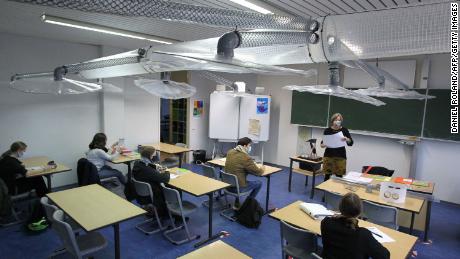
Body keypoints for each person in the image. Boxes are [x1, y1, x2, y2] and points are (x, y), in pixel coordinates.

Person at [321, 192, 390, 259]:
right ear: (359, 212)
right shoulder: (363, 235)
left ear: (340, 207)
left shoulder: (326, 222)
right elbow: (385, 256)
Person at [132, 146, 169, 219]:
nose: (153, 157)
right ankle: (166, 213)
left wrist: (156, 167)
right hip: (151, 194)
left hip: (140, 193)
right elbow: (165, 178)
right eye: (152, 155)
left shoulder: (137, 163)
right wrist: (167, 170)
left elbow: (150, 168)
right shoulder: (146, 169)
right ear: (149, 156)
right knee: (169, 187)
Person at [225, 137, 264, 205]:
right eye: (249, 145)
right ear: (245, 146)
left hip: (226, 185)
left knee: (238, 175)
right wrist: (262, 168)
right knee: (259, 183)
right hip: (238, 188)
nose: (250, 147)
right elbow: (258, 172)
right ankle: (247, 205)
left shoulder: (230, 152)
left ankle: (237, 202)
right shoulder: (245, 157)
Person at [321, 113, 353, 182]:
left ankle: (337, 191)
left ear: (341, 121)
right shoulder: (327, 130)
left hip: (340, 156)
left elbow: (351, 143)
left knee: (339, 177)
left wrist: (347, 139)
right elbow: (322, 144)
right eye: (336, 119)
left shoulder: (344, 130)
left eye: (339, 120)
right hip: (328, 156)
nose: (337, 121)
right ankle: (325, 191)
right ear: (332, 120)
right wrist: (323, 145)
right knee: (327, 176)